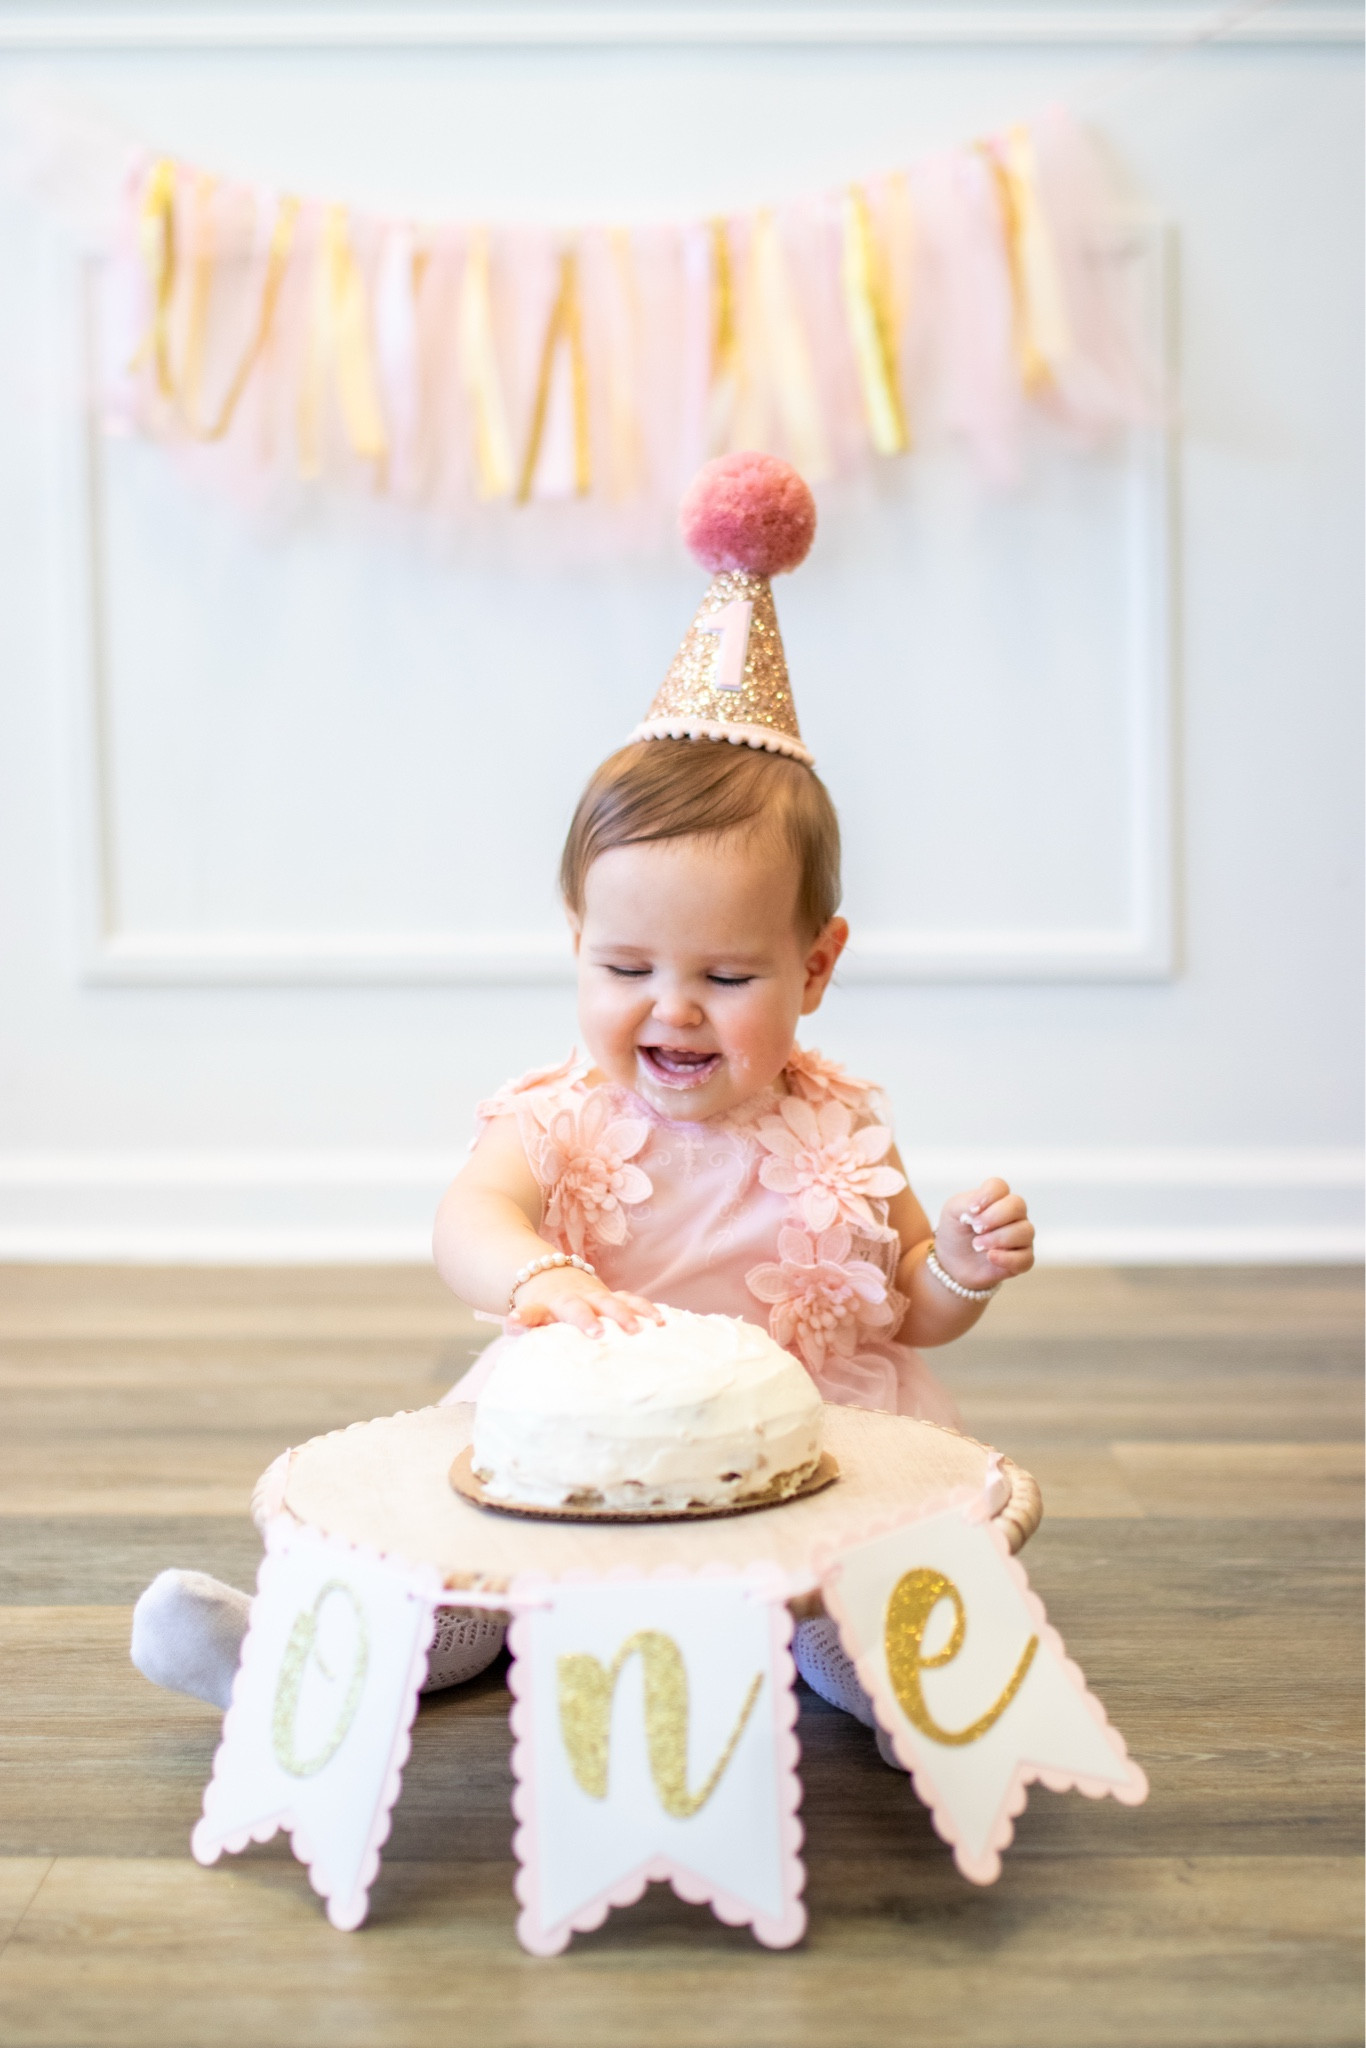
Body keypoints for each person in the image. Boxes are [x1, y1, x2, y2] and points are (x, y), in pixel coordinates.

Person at [130, 452, 1034, 1741]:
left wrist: (958, 1268)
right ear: (576, 946)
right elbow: (469, 1218)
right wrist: (539, 1278)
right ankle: (303, 1661)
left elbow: (909, 1309)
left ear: (817, 967)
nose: (672, 1008)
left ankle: (905, 1689)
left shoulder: (841, 1128)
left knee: (855, 1570)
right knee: (470, 1577)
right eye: (626, 968)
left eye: (727, 975)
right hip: (579, 1436)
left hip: (792, 1445)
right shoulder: (564, 1115)